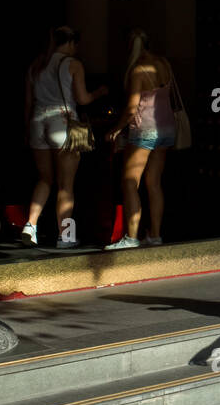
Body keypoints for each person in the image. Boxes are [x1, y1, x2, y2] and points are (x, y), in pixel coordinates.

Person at [21, 26, 108, 248]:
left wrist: (26, 131)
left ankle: (30, 226)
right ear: (72, 43)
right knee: (65, 186)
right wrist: (99, 93)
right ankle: (65, 236)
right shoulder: (73, 64)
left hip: (37, 123)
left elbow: (28, 103)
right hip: (62, 123)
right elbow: (83, 99)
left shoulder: (37, 65)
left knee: (44, 179)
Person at [104, 30, 177, 249]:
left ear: (130, 47)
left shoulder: (138, 70)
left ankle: (131, 237)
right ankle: (155, 236)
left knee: (129, 183)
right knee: (154, 183)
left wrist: (115, 129)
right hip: (166, 129)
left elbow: (131, 108)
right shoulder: (163, 63)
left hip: (144, 130)